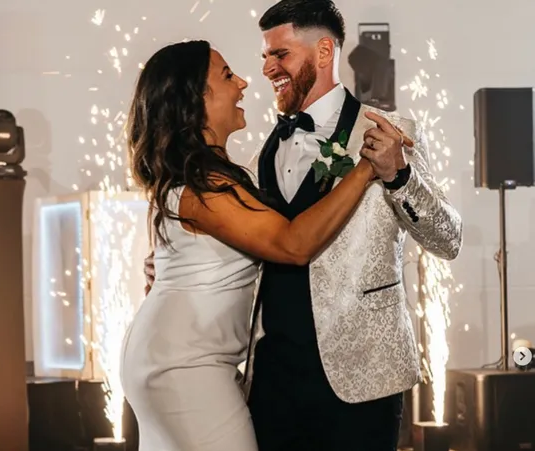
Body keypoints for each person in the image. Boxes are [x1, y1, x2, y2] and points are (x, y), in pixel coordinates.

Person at [142, 1, 463, 450]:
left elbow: (448, 238)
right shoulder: (255, 163)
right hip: (271, 379)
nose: (267, 68)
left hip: (363, 376)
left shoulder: (393, 132)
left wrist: (399, 175)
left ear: (324, 52)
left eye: (281, 55)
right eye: (264, 56)